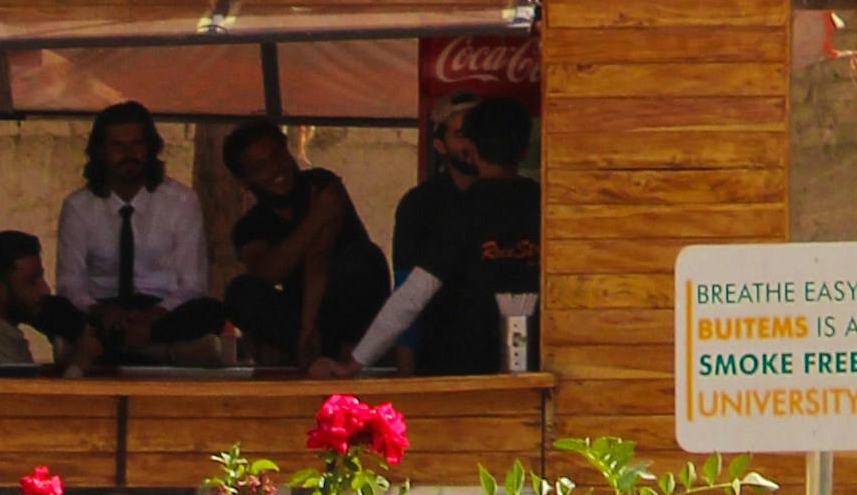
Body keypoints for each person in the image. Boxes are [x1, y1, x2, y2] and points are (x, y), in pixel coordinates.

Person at [216, 116, 390, 372]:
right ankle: (333, 352)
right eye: (260, 166)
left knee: (364, 258)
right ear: (244, 181)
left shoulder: (320, 183)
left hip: (343, 302)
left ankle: (307, 350)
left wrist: (308, 323)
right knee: (240, 292)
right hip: (299, 317)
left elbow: (319, 256)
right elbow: (265, 272)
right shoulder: (250, 225)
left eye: (277, 156)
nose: (275, 169)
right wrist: (316, 218)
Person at [387, 91, 541, 377]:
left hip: (520, 364)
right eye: (461, 134)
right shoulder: (422, 204)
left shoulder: (534, 200)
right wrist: (405, 377)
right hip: (446, 362)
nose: (469, 143)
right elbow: (408, 292)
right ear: (439, 144)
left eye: (474, 134)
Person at [54, 103, 221, 358]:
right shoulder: (78, 206)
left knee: (209, 310)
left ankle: (121, 344)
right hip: (103, 309)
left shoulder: (182, 201)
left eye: (137, 144)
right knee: (53, 309)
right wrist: (101, 311)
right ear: (100, 151)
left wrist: (152, 317)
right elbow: (70, 284)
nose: (128, 154)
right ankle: (157, 348)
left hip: (162, 310)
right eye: (117, 146)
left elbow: (192, 284)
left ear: (150, 147)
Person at [0, 229, 86, 376]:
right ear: (0, 290)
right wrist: (81, 361)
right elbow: (23, 392)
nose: (44, 290)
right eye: (32, 281)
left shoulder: (2, 339)